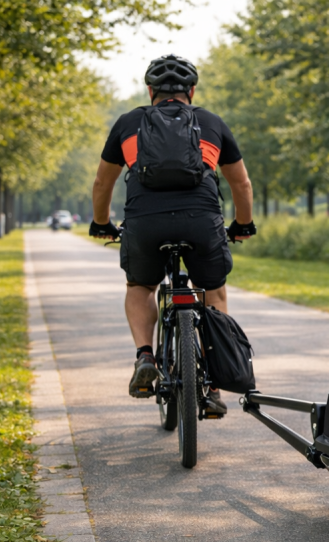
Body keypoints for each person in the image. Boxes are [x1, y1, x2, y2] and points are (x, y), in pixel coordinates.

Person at [88, 54, 256, 416]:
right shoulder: (211, 122)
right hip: (201, 220)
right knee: (213, 288)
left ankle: (145, 357)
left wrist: (101, 221)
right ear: (191, 91)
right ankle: (211, 385)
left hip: (146, 223)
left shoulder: (129, 123)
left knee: (140, 287)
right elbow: (240, 182)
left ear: (150, 91)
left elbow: (103, 181)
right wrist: (243, 223)